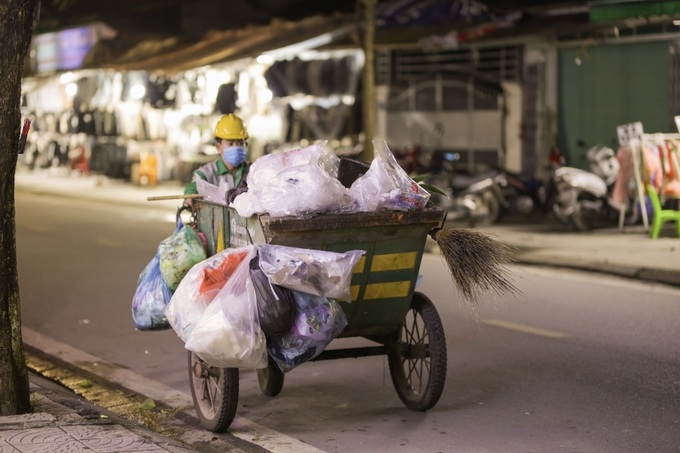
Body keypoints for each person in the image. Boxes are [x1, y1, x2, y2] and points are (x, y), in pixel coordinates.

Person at [183, 113, 250, 205]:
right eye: (230, 144)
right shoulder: (207, 172)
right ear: (218, 147)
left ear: (246, 145)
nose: (236, 148)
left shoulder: (253, 171)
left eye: (240, 143)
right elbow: (193, 186)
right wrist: (190, 195)